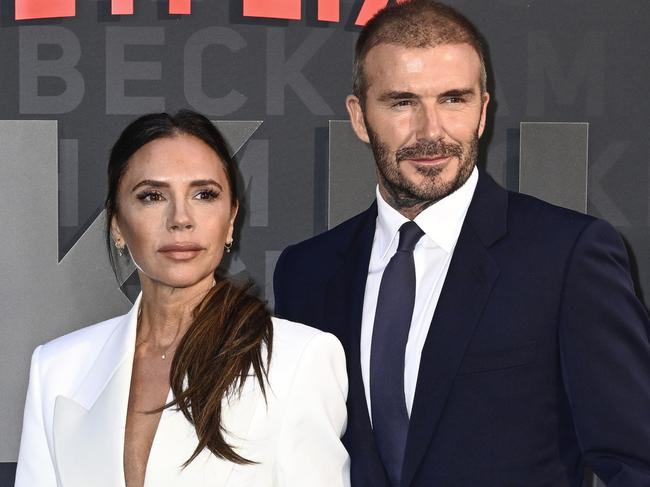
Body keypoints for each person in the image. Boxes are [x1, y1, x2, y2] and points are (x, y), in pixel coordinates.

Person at [273, 1, 650, 486]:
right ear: (360, 117)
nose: (432, 132)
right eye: (402, 102)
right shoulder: (306, 271)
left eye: (453, 99)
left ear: (483, 111)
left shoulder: (566, 257)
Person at [15, 110, 350, 487]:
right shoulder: (57, 368)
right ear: (117, 224)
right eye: (152, 196)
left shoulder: (299, 360)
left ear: (230, 219)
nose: (181, 218)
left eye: (204, 194)